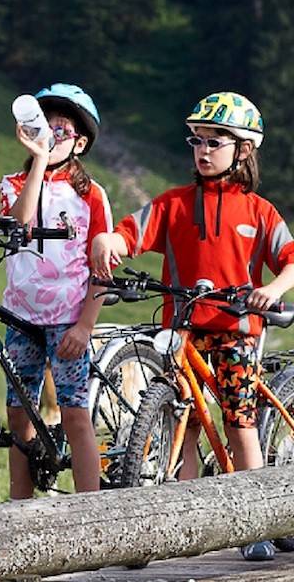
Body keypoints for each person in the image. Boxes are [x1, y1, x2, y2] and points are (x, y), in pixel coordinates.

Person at [91, 91, 294, 561]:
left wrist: (276, 289)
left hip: (237, 330)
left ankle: (257, 523)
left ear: (242, 150)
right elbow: (132, 231)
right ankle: (183, 524)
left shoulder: (259, 211)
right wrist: (109, 240)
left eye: (215, 142)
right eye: (196, 141)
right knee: (182, 416)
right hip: (183, 327)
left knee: (239, 422)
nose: (202, 151)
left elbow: (289, 259)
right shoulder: (174, 204)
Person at [0, 83, 111, 499]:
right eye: (44, 126)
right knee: (19, 415)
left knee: (75, 414)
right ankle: (19, 507)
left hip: (68, 321)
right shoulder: (13, 184)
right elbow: (20, 224)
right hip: (21, 318)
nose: (50, 134)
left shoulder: (92, 195)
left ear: (80, 143)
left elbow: (102, 270)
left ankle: (90, 512)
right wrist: (40, 160)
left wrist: (85, 326)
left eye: (61, 131)